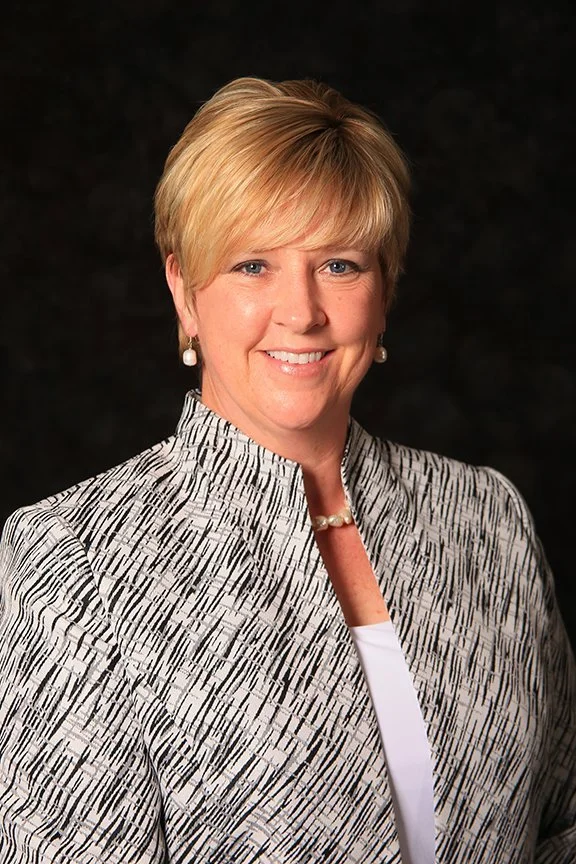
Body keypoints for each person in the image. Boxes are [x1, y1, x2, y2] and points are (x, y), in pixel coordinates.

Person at [0, 76, 574, 864]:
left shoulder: (486, 519)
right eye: (252, 265)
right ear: (184, 290)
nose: (301, 311)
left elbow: (561, 826)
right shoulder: (72, 562)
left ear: (385, 289)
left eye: (339, 265)